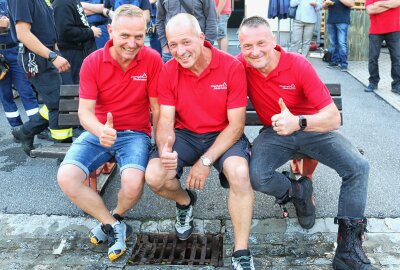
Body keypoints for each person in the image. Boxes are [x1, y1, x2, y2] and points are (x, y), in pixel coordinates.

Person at [237, 16, 377, 270]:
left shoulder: (298, 65)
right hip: (275, 133)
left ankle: (348, 250)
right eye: (247, 46)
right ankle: (301, 191)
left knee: (358, 166)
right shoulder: (241, 65)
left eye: (261, 43)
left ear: (273, 41)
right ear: (240, 47)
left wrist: (299, 122)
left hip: (311, 129)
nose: (254, 52)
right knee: (256, 175)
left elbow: (333, 117)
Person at [145, 13, 254, 270]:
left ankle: (241, 251)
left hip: (223, 133)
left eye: (186, 42)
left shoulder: (230, 66)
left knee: (239, 174)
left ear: (202, 38)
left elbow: (237, 125)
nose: (180, 51)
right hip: (186, 135)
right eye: (173, 45)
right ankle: (185, 202)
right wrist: (165, 148)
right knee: (155, 176)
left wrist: (205, 162)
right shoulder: (168, 69)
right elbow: (165, 121)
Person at [57, 4, 162, 261]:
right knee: (66, 176)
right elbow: (85, 112)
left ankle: (113, 217)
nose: (132, 43)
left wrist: (160, 144)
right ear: (110, 30)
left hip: (135, 133)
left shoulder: (152, 59)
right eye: (125, 35)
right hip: (98, 131)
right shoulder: (93, 62)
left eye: (139, 36)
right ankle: (113, 225)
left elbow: (157, 109)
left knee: (133, 182)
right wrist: (100, 130)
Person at [7, 0, 73, 157]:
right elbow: (23, 33)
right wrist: (52, 56)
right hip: (36, 56)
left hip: (47, 53)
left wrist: (56, 52)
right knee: (58, 104)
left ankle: (26, 131)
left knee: (57, 102)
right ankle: (64, 151)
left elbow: (46, 29)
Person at [0, 0, 41, 132]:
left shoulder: (10, 2)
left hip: (15, 51)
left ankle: (37, 125)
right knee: (5, 94)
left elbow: (21, 24)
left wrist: (7, 25)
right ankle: (16, 127)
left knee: (26, 90)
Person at [53, 0, 101, 84]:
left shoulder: (73, 1)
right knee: (76, 91)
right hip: (73, 56)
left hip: (82, 53)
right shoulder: (61, 4)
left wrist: (89, 28)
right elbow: (65, 31)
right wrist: (91, 32)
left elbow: (79, 23)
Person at [364, 0, 400, 94]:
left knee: (397, 58)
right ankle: (373, 82)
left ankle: (397, 85)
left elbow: (397, 3)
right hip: (376, 30)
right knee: (373, 58)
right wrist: (389, 5)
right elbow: (370, 10)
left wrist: (379, 4)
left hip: (394, 29)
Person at [323, 0, 354, 72]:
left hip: (342, 21)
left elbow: (351, 4)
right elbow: (324, 7)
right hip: (331, 21)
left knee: (342, 43)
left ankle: (344, 63)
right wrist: (326, 4)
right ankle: (335, 61)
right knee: (333, 43)